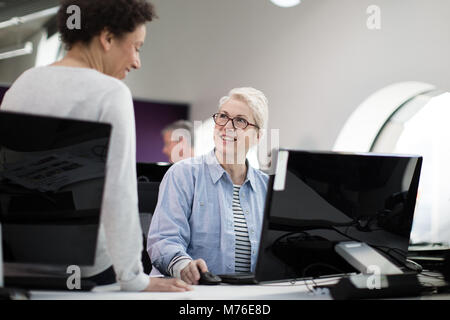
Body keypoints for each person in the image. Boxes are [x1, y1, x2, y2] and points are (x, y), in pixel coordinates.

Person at [0, 0, 190, 292]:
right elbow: (120, 192)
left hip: (22, 265)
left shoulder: (23, 84)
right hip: (89, 271)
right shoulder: (110, 93)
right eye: (136, 47)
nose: (137, 61)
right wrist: (135, 279)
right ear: (108, 38)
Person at [147, 87, 269, 285]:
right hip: (194, 294)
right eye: (223, 116)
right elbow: (163, 240)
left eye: (240, 121)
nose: (227, 126)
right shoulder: (183, 174)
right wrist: (183, 265)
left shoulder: (266, 188)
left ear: (258, 137)